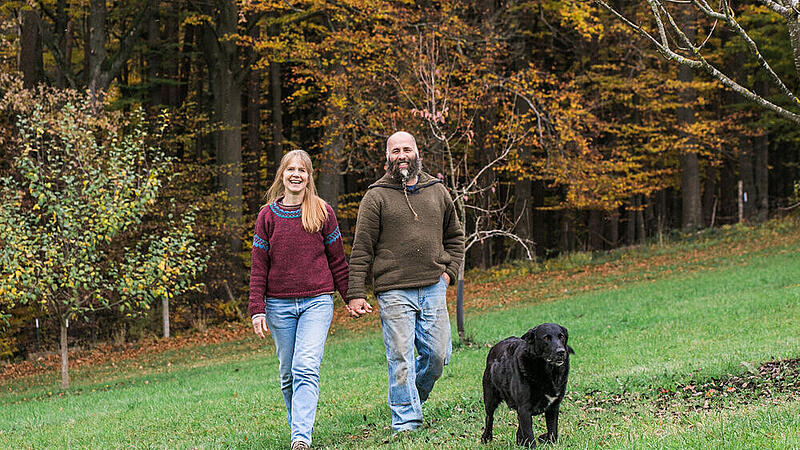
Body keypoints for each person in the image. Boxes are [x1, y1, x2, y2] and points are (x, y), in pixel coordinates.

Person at [346, 131, 465, 434]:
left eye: (406, 149)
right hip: (393, 289)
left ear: (417, 152)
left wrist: (448, 272)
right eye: (395, 150)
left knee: (438, 356)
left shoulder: (437, 190)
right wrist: (356, 292)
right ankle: (406, 422)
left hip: (433, 285)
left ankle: (414, 398)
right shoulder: (376, 196)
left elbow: (455, 237)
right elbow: (362, 248)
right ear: (387, 157)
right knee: (400, 358)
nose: (401, 155)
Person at [248, 149, 348, 450]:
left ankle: (301, 438)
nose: (295, 174)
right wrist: (257, 309)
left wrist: (352, 297)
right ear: (282, 174)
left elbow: (338, 261)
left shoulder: (322, 211)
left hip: (317, 301)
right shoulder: (267, 216)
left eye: (301, 170)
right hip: (279, 306)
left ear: (309, 176)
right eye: (290, 169)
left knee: (305, 366)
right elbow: (258, 266)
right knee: (288, 373)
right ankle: (299, 431)